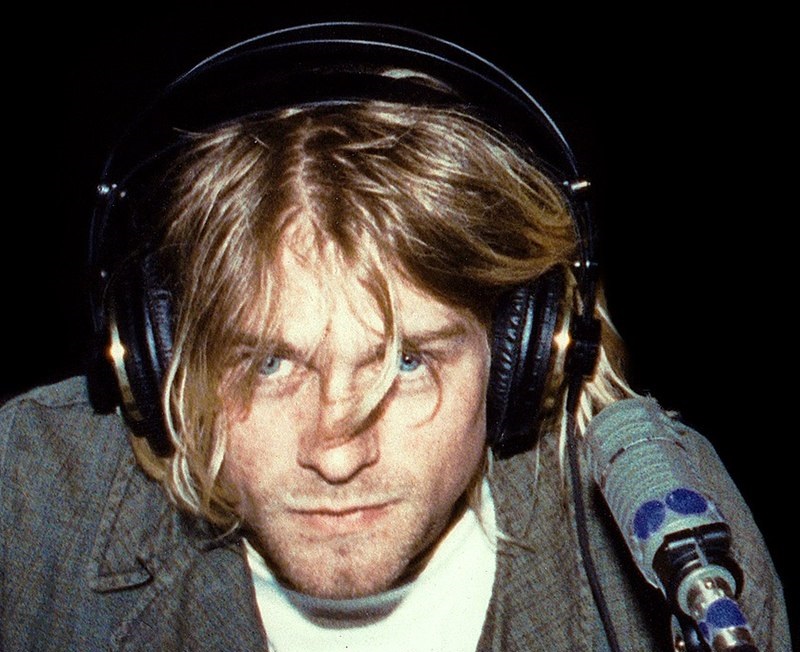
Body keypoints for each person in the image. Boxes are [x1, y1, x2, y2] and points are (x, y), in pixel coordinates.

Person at [0, 23, 790, 652]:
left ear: (527, 353)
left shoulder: (676, 527)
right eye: (271, 363)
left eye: (409, 362)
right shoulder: (26, 499)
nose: (337, 456)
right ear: (158, 356)